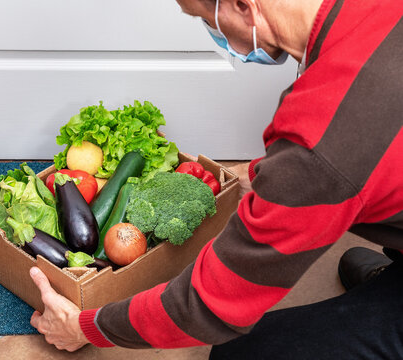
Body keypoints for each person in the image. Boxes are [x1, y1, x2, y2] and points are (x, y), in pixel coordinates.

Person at [29, 0, 403, 358]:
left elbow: (209, 306)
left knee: (240, 355)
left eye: (204, 19)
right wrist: (269, 177)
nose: (214, 34)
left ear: (242, 5)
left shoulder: (319, 141)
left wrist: (85, 327)